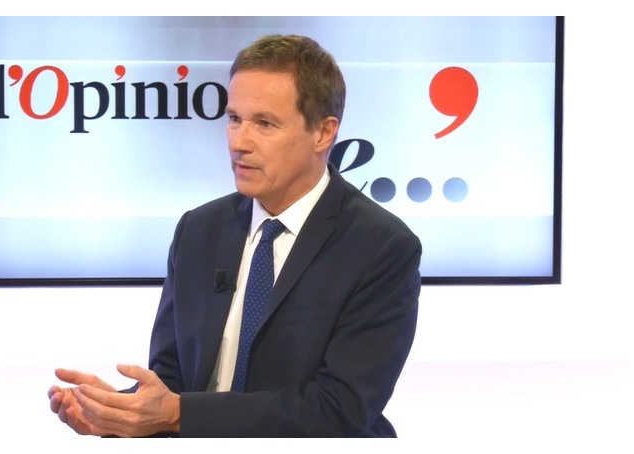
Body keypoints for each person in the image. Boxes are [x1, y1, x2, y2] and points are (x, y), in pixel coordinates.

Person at [48, 34, 421, 437]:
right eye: (234, 119)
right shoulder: (198, 230)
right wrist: (120, 414)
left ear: (323, 133)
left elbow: (338, 409)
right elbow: (173, 380)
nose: (239, 142)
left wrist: (177, 414)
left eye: (265, 123)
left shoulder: (381, 248)